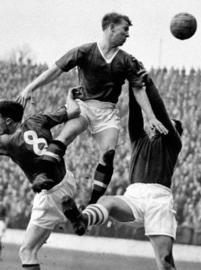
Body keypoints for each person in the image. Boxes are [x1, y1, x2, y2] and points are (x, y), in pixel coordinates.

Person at [18, 12, 166, 204]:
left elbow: (138, 89)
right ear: (111, 28)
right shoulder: (85, 51)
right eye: (125, 30)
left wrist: (152, 117)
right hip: (83, 106)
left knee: (108, 153)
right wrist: (30, 87)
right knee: (64, 138)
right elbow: (55, 70)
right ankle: (42, 176)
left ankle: (91, 204)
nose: (128, 35)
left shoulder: (127, 60)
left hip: (107, 112)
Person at [61, 61, 182, 270]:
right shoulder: (139, 139)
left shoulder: (173, 143)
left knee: (164, 263)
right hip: (134, 195)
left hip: (159, 200)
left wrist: (149, 84)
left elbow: (160, 112)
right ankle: (82, 219)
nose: (157, 125)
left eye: (168, 125)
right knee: (107, 201)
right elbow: (135, 114)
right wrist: (132, 81)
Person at [0, 89, 80, 270]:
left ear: (8, 121)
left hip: (49, 195)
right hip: (67, 180)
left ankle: (70, 215)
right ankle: (73, 213)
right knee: (36, 243)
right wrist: (69, 96)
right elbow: (74, 111)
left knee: (26, 251)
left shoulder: (7, 141)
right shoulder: (37, 119)